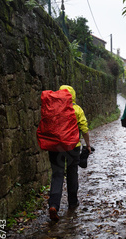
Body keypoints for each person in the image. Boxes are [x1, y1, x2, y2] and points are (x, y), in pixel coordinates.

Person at [48, 85, 91, 222]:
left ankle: (54, 205)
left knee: (57, 175)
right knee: (72, 173)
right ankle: (73, 202)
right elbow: (84, 128)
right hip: (72, 147)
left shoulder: (53, 108)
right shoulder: (77, 109)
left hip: (55, 147)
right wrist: (88, 145)